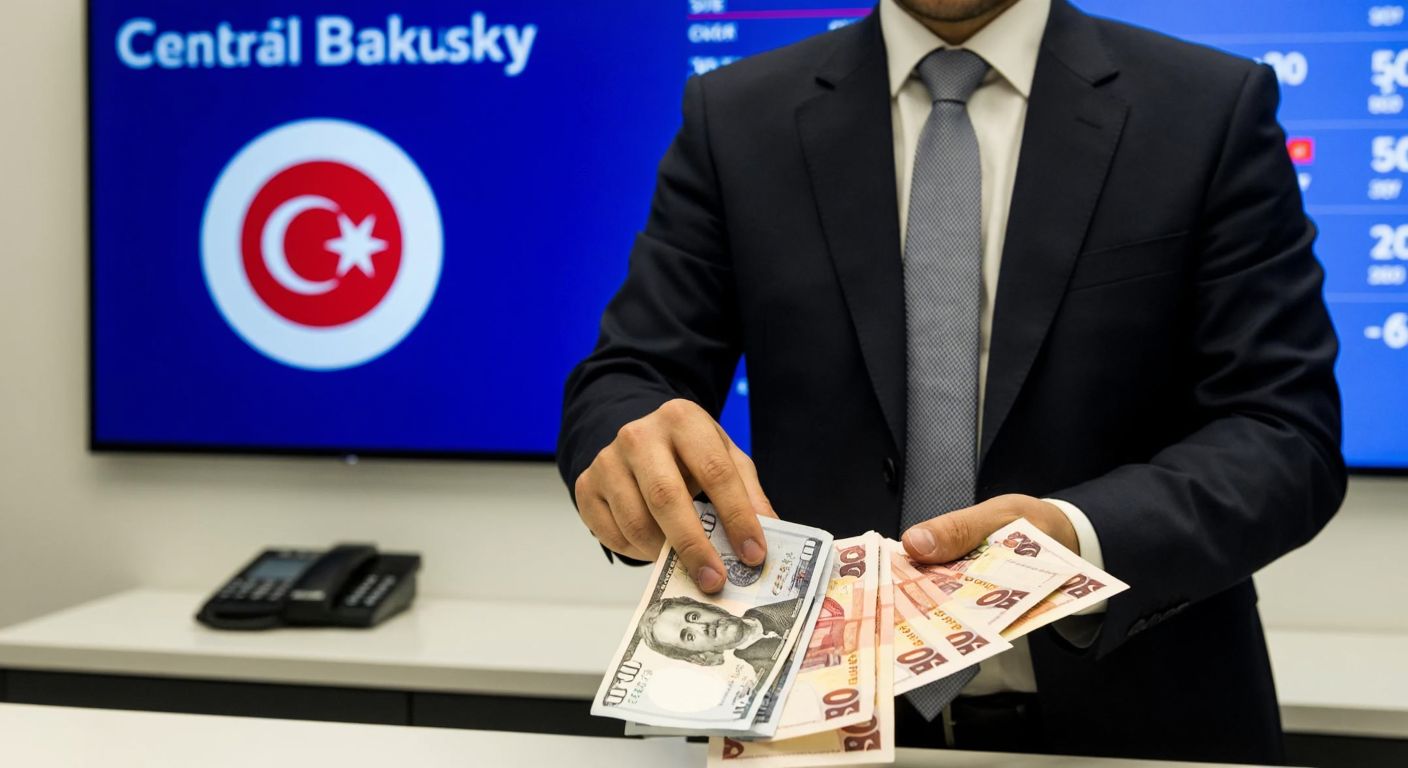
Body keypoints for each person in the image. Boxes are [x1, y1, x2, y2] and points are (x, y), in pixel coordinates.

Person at [558, 0, 1345, 762]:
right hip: (819, 734)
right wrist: (636, 446)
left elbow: (1285, 435)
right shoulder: (735, 115)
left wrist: (1076, 539)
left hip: (1145, 724)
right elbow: (630, 377)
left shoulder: (1209, 105)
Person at [637, 595, 796, 679]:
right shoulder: (766, 673)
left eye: (693, 617)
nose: (702, 627)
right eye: (690, 636)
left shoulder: (786, 604)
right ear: (700, 654)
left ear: (710, 607)